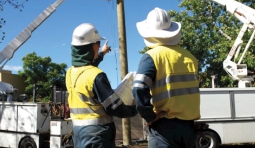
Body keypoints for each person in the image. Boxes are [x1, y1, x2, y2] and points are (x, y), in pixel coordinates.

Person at [132, 8, 201, 148]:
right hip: (189, 128)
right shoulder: (190, 57)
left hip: (164, 127)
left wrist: (149, 116)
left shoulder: (152, 56)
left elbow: (138, 87)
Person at [66, 23, 136, 148]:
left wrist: (102, 54)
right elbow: (115, 108)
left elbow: (87, 67)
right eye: (97, 45)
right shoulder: (97, 75)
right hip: (97, 136)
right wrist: (134, 109)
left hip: (79, 134)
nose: (98, 48)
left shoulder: (70, 72)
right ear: (91, 48)